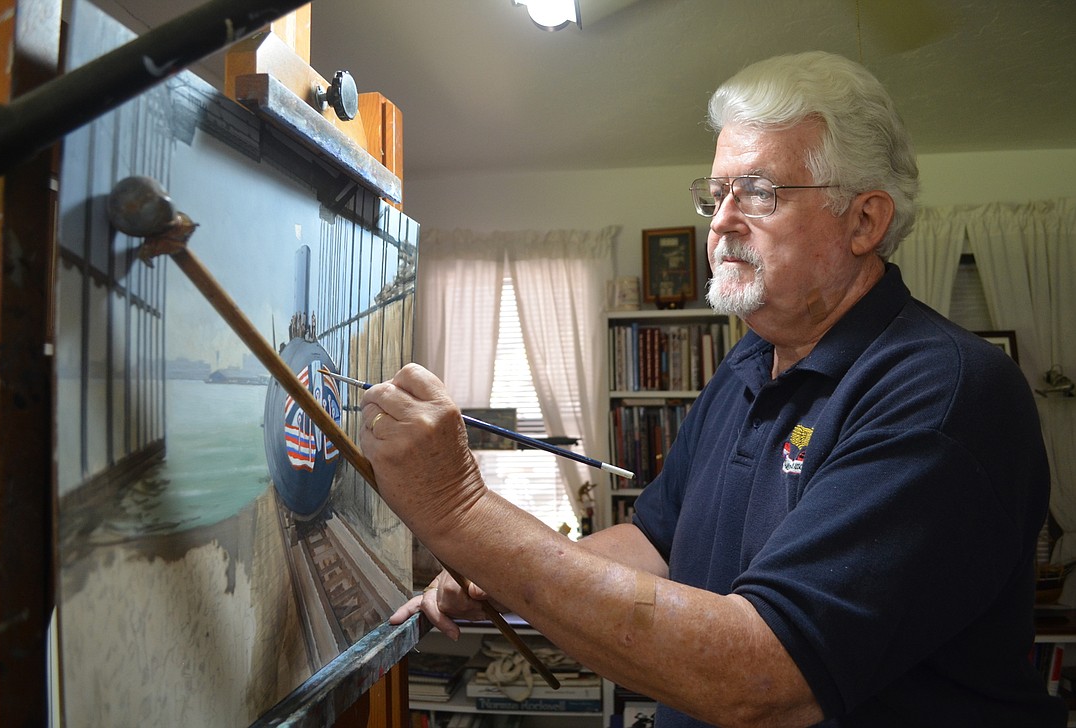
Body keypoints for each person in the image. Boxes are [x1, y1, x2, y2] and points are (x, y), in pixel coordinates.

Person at [363, 51, 1065, 727]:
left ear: (864, 221)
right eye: (717, 192)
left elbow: (764, 678)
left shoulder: (943, 392)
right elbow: (655, 541)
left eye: (759, 191)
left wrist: (462, 514)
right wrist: (501, 572)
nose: (724, 220)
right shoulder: (749, 363)